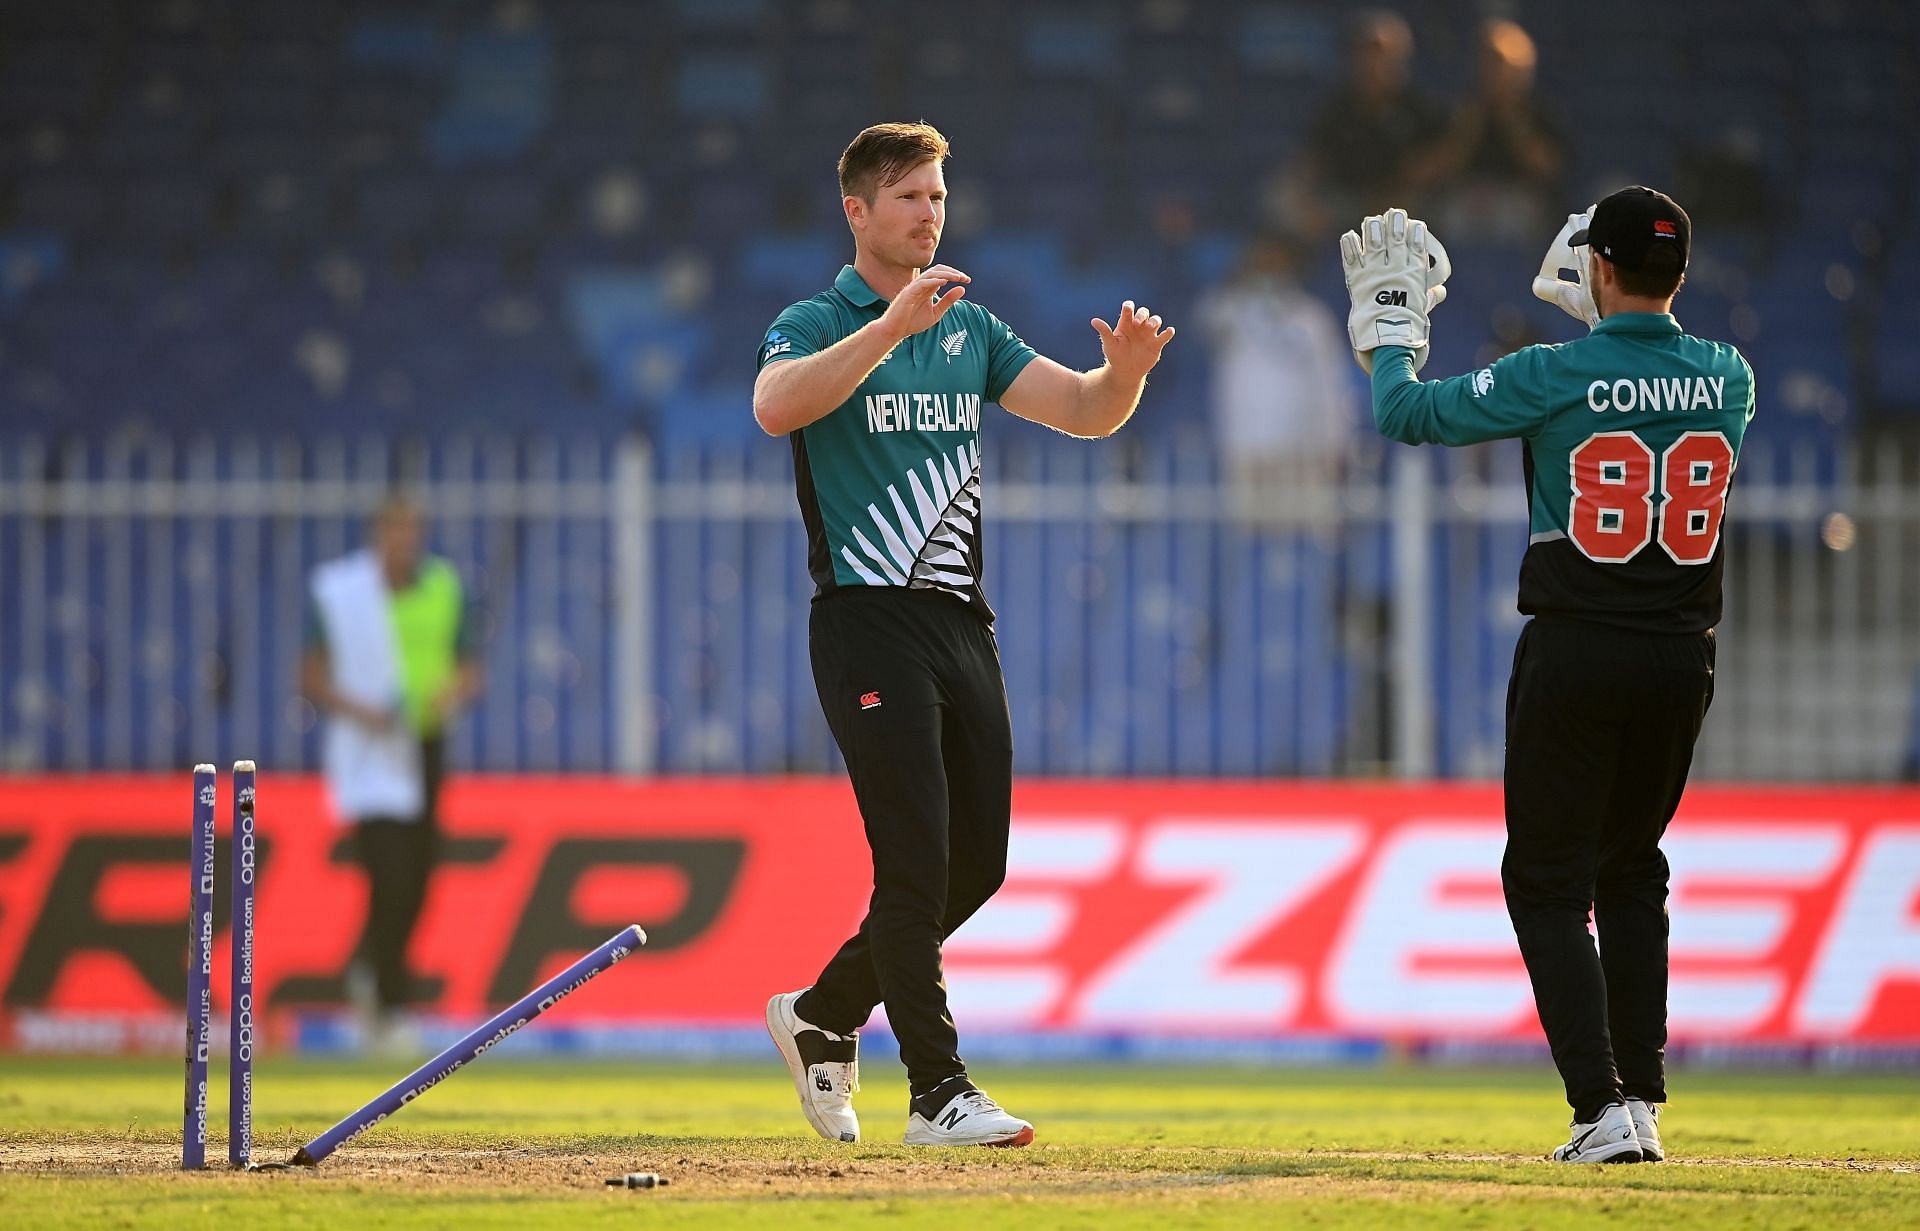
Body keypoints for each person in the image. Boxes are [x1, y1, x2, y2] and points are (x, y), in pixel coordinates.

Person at [752, 121, 1174, 1148]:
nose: (930, 213)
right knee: (912, 860)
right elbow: (775, 408)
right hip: (864, 617)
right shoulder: (817, 319)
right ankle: (937, 1089)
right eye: (908, 197)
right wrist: (887, 330)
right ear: (857, 211)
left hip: (957, 622)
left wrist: (1123, 376)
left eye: (937, 196)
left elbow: (1079, 410)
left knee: (973, 865)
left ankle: (822, 1010)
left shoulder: (969, 328)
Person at [1340, 190, 1754, 1163]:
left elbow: (1405, 411)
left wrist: (1391, 327)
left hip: (1577, 646)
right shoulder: (1729, 375)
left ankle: (1597, 1107)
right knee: (1633, 867)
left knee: (1545, 879)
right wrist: (1611, 318)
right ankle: (1641, 1098)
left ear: (1597, 268)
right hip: (1680, 655)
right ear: (1679, 274)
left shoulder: (1553, 373)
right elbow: (1648, 377)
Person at [302, 495, 483, 1051]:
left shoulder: (443, 587)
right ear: (378, 534)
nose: (405, 541)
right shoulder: (347, 595)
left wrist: (450, 694)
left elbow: (470, 667)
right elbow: (310, 676)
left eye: (413, 530)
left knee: (421, 875)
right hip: (369, 749)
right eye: (395, 530)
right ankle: (387, 998)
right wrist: (364, 711)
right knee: (389, 873)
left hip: (424, 743)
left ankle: (372, 970)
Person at [1198, 232, 1360, 530]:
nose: (1268, 274)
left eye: (1276, 266)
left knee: (1303, 536)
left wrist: (1337, 442)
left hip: (1303, 449)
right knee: (1249, 533)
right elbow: (1206, 319)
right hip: (1244, 445)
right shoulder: (1231, 312)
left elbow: (1330, 383)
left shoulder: (1312, 318)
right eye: (1261, 266)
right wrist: (1238, 284)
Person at [1275, 10, 1446, 235]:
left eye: (1383, 53)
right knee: (1283, 198)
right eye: (1366, 52)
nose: (1374, 62)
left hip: (1405, 203)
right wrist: (1305, 197)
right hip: (1344, 200)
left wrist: (1396, 196)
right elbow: (1312, 161)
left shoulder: (1421, 108)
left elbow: (1439, 162)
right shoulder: (1338, 108)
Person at [1414, 19, 1566, 244]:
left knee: (1523, 215)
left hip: (1519, 196)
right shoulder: (1462, 108)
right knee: (1444, 214)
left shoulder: (1539, 111)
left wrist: (1513, 122)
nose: (1496, 73)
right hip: (1467, 193)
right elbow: (1437, 168)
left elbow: (1548, 169)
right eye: (1489, 63)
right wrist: (1467, 128)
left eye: (1503, 65)